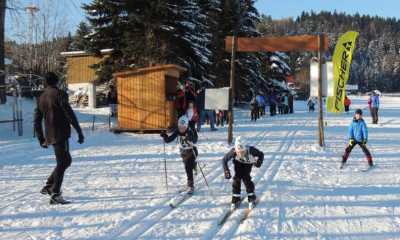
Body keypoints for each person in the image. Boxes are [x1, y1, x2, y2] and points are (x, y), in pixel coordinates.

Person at [34, 72, 85, 205]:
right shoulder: (60, 94)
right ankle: (55, 193)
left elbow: (36, 120)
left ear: (46, 82)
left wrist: (41, 138)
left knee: (66, 161)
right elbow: (69, 113)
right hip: (60, 133)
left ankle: (49, 185)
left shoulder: (41, 97)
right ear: (56, 82)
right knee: (64, 162)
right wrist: (79, 131)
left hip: (50, 134)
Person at [222, 136, 264, 210]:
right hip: (238, 163)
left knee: (246, 178)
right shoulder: (233, 151)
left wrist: (258, 162)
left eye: (242, 152)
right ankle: (236, 197)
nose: (240, 154)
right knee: (237, 178)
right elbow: (224, 160)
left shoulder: (251, 150)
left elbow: (261, 154)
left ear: (246, 148)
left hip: (248, 162)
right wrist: (226, 171)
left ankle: (251, 196)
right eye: (239, 152)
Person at [161, 116, 198, 193]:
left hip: (191, 152)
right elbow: (169, 140)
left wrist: (190, 137)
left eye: (183, 127)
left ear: (187, 126)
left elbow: (195, 140)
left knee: (188, 168)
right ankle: (194, 165)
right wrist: (164, 136)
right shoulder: (178, 131)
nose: (181, 129)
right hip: (183, 153)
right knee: (187, 167)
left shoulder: (190, 131)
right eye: (180, 127)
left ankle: (191, 186)